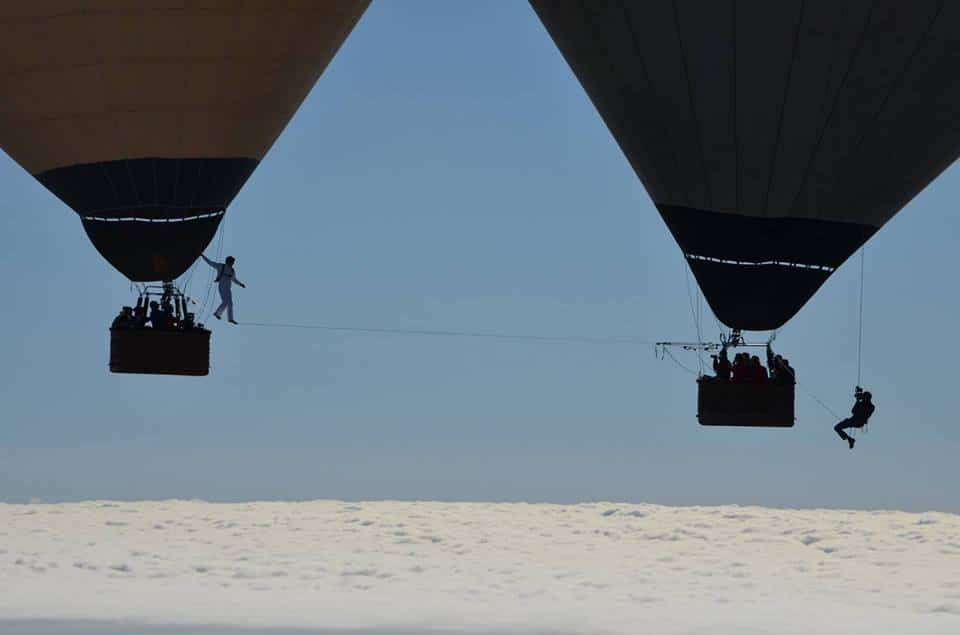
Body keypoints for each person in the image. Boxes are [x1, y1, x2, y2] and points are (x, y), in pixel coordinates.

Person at [201, 254, 246, 324]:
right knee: (225, 302)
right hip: (222, 286)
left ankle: (230, 318)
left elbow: (234, 280)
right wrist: (202, 256)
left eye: (233, 263)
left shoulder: (232, 270)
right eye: (232, 262)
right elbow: (210, 262)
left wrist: (241, 284)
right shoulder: (221, 266)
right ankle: (217, 313)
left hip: (228, 288)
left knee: (230, 303)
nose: (233, 264)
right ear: (228, 261)